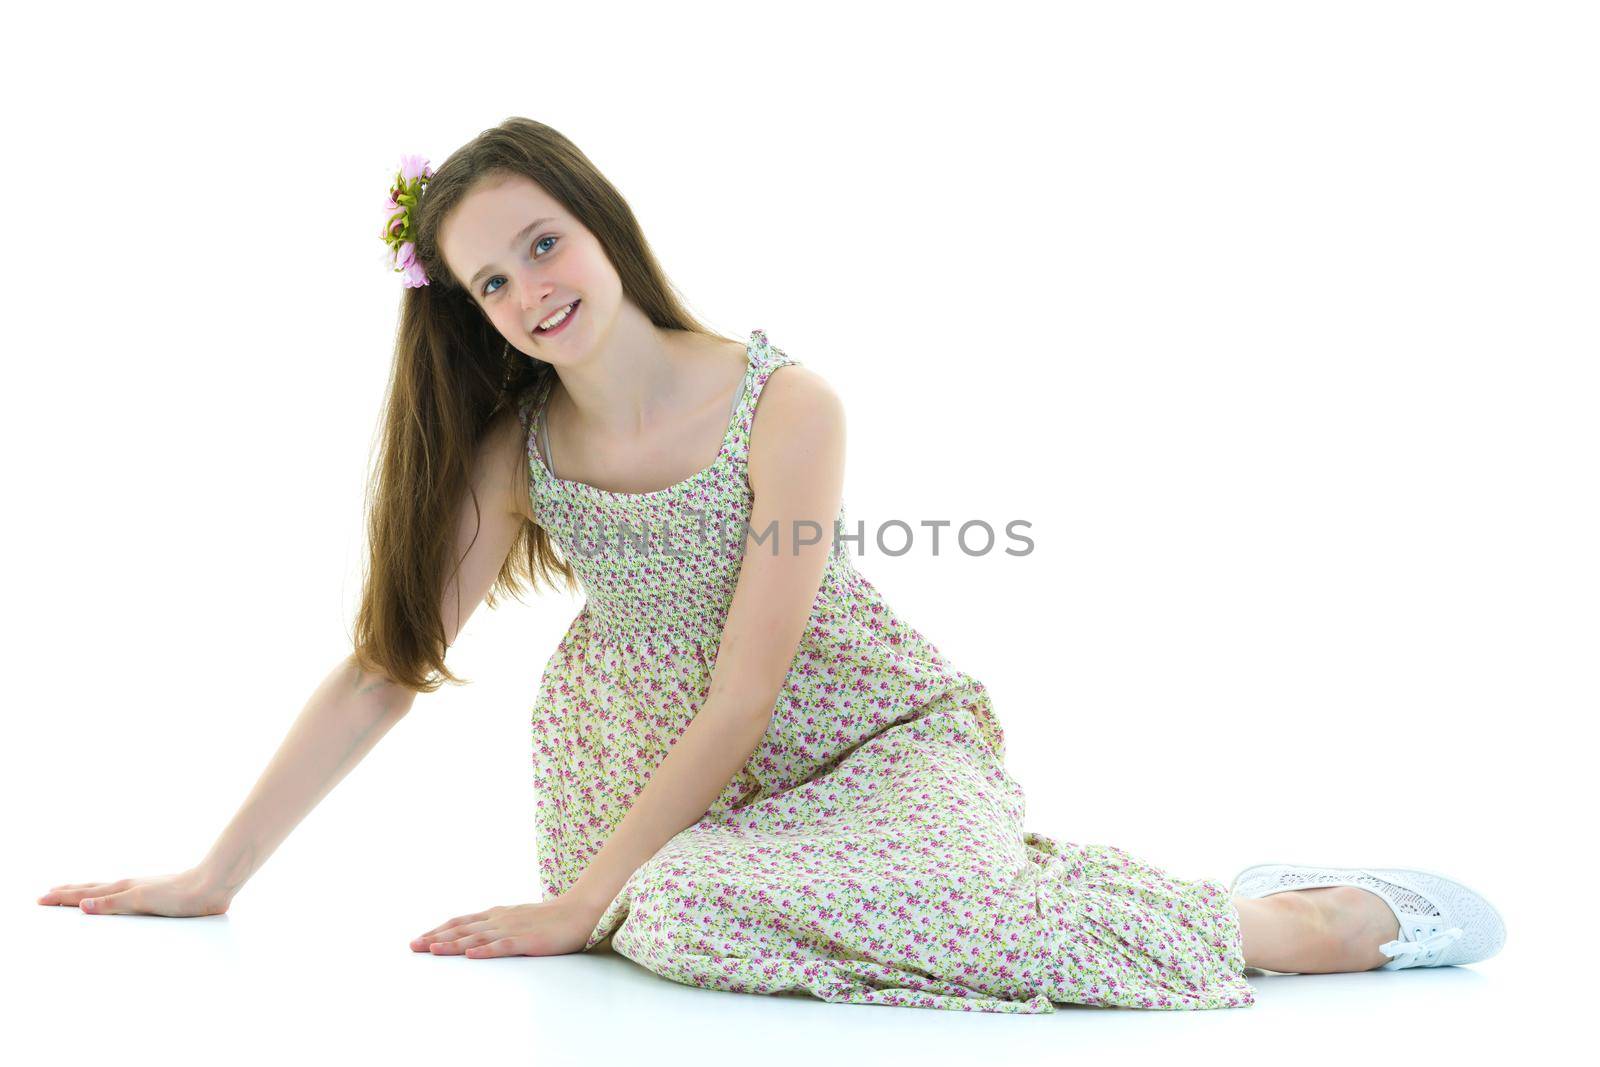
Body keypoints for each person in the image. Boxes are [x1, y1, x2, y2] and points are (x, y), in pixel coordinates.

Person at [36, 117, 1506, 1013]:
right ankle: (1006, 892)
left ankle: (1289, 922)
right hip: (640, 764)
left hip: (851, 736)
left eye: (543, 246)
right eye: (491, 281)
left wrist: (571, 907)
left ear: (600, 226)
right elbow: (384, 670)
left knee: (746, 909)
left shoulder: (783, 403)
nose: (530, 293)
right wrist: (213, 876)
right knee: (673, 916)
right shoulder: (513, 446)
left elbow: (748, 692)